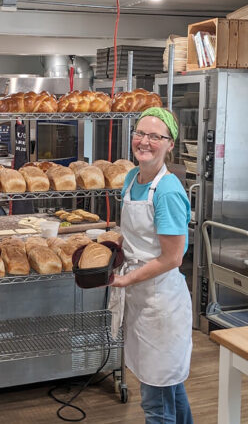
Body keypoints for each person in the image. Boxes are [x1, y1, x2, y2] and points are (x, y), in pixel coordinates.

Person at [110, 107, 193, 423]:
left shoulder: (168, 191)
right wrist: (109, 250)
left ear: (169, 144)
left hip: (161, 304)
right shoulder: (132, 178)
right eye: (140, 133)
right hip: (141, 299)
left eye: (155, 136)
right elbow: (131, 234)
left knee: (157, 404)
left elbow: (173, 258)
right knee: (169, 387)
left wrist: (125, 280)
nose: (144, 141)